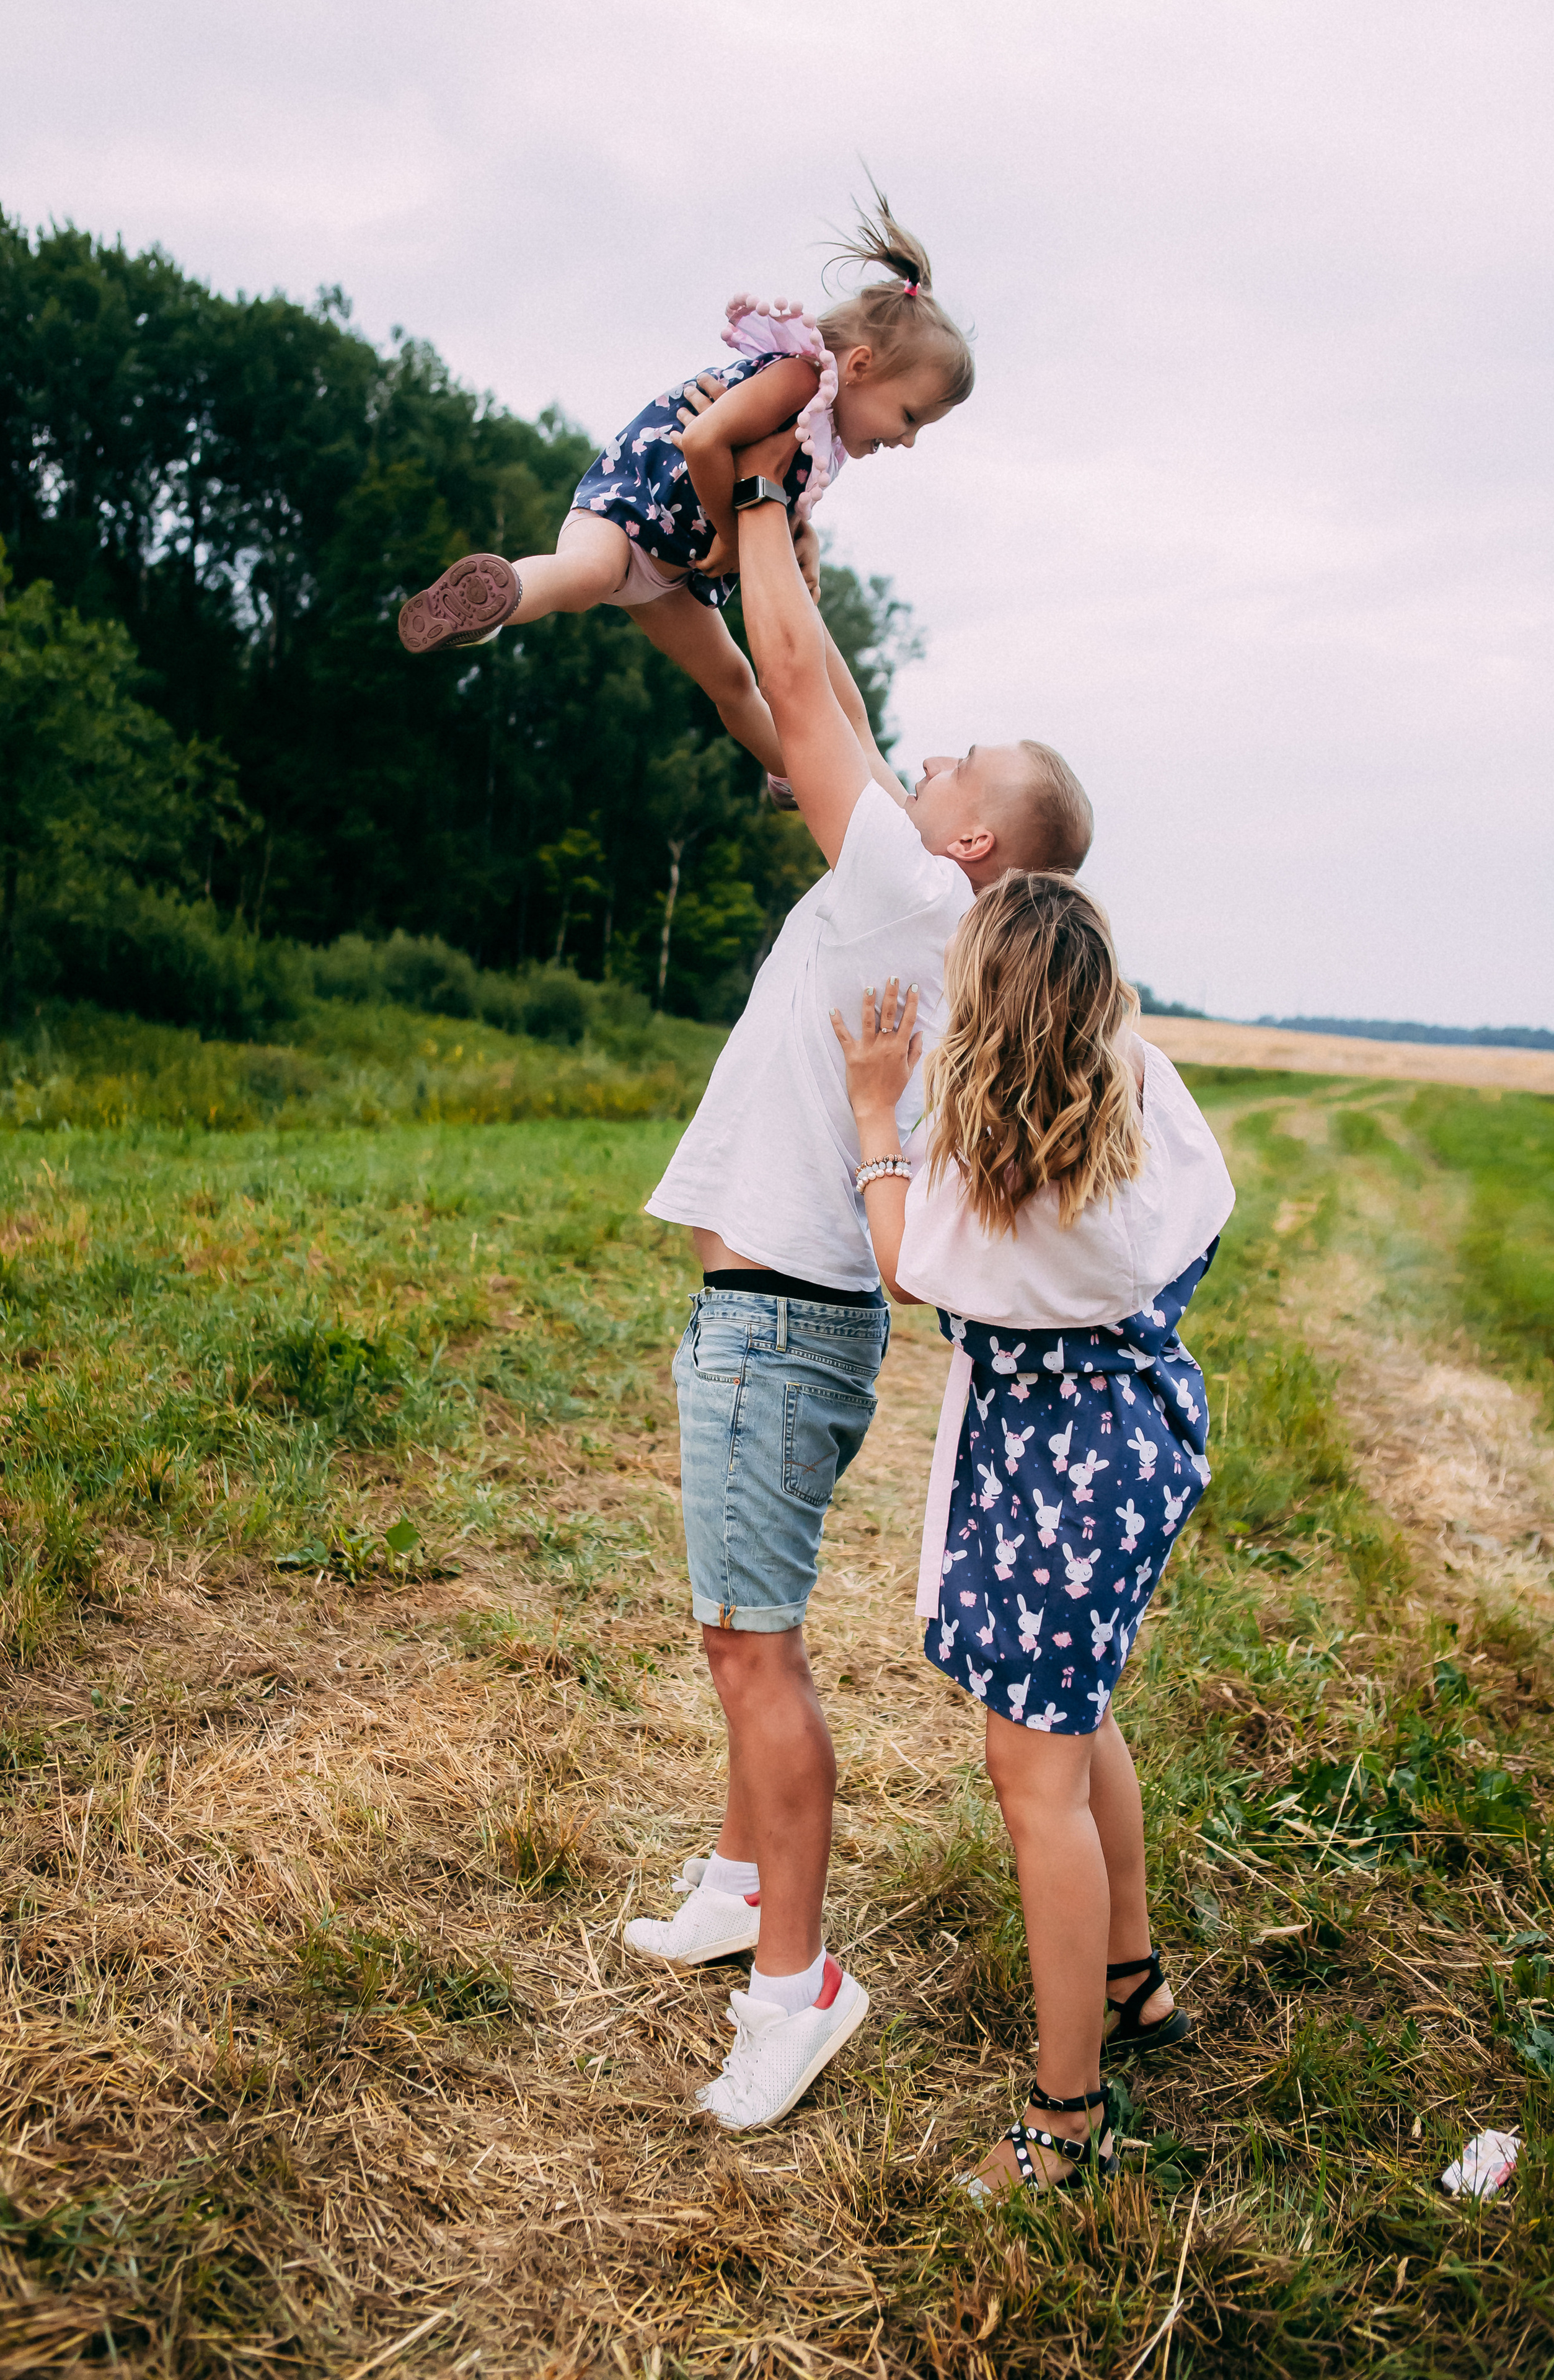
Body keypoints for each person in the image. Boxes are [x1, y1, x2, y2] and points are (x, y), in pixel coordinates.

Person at [619, 421, 1095, 2133]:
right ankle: (748, 1883)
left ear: (973, 840)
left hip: (771, 1328)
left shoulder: (908, 889)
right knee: (745, 1633)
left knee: (754, 1651)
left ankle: (796, 1984)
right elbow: (805, 688)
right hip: (787, 1322)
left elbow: (808, 696)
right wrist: (789, 542)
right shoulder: (948, 914)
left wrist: (754, 481)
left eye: (958, 760)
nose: (929, 759)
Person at [829, 875, 1234, 2190]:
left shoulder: (993, 1162)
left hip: (1057, 1472)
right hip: (1133, 1437)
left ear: (980, 1021)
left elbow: (907, 1263)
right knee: (1079, 1713)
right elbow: (1201, 1221)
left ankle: (1068, 2119)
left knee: (1031, 1782)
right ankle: (1131, 1982)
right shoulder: (1140, 1096)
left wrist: (874, 1107)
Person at [395, 189, 974, 792]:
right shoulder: (801, 378)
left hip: (676, 572)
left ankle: (792, 770)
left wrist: (804, 539)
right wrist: (731, 539)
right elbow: (703, 441)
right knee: (588, 573)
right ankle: (495, 603)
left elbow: (774, 494)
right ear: (858, 366)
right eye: (909, 416)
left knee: (731, 681)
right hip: (629, 508)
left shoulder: (823, 425)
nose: (907, 439)